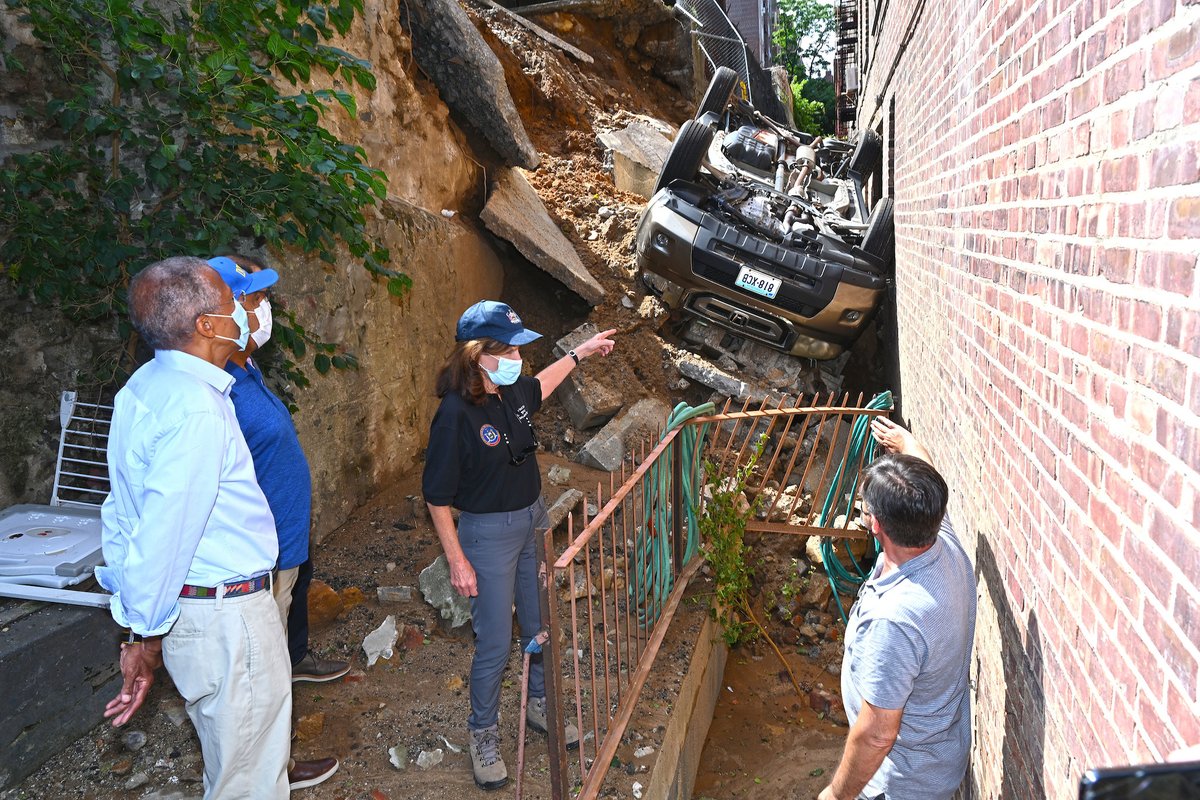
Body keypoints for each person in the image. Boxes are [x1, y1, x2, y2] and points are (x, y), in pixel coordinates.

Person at [96, 256, 291, 798]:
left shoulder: (146, 386)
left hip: (197, 614)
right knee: (248, 783)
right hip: (226, 620)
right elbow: (164, 535)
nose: (242, 310)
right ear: (207, 326)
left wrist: (141, 630)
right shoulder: (196, 411)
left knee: (228, 766)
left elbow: (122, 514)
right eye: (229, 302)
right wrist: (144, 633)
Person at [422, 300, 616, 790]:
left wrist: (580, 353)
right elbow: (437, 498)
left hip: (533, 522)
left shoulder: (510, 392)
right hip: (486, 536)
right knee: (493, 642)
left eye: (517, 350)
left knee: (540, 622)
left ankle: (538, 704)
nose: (517, 359)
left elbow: (541, 386)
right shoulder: (454, 416)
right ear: (477, 354)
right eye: (507, 351)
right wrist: (458, 561)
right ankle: (482, 734)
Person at [206, 255, 346, 791]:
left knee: (273, 664)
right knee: (258, 680)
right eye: (254, 300)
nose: (265, 309)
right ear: (220, 312)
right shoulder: (214, 391)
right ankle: (273, 770)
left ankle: (271, 761)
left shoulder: (245, 369)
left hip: (285, 542)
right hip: (261, 555)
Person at [819, 416, 977, 800]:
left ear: (876, 525)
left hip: (901, 784)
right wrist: (906, 441)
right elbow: (928, 471)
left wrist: (836, 796)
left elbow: (877, 735)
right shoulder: (943, 542)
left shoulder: (896, 621)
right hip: (938, 758)